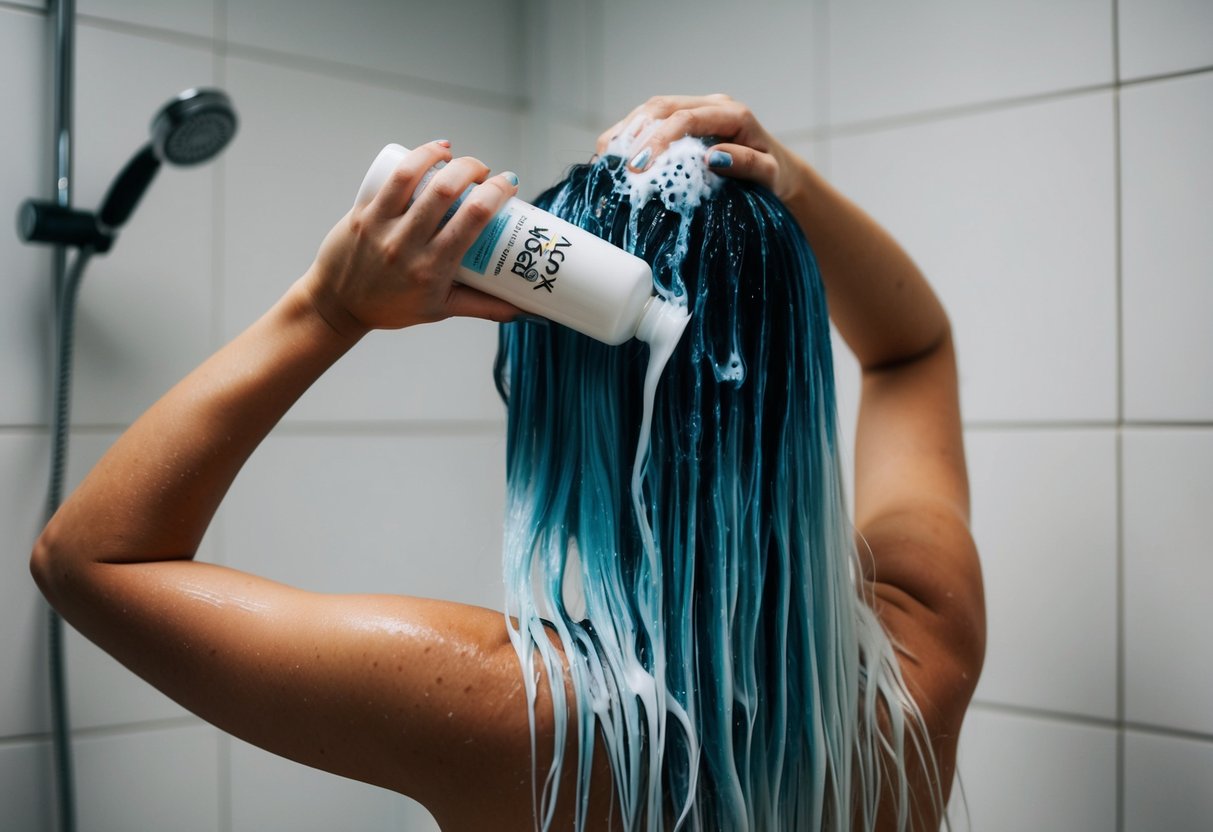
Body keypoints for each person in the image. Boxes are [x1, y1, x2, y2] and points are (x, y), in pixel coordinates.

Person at [31, 95, 984, 831]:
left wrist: (328, 308)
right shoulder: (919, 655)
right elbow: (912, 350)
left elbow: (90, 562)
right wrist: (791, 186)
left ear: (552, 402)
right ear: (794, 382)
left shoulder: (504, 712)